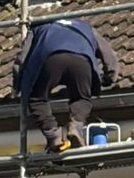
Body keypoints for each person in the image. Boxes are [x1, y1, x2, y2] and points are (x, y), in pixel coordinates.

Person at [11, 19, 120, 152]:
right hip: (82, 59)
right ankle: (75, 127)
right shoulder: (85, 28)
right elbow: (109, 54)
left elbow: (22, 59)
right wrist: (110, 77)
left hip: (50, 59)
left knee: (36, 99)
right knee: (81, 98)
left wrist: (17, 85)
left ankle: (53, 135)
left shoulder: (39, 27)